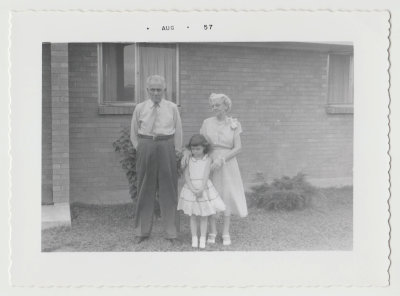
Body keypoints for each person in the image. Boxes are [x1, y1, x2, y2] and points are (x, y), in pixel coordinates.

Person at [183, 93, 248, 246]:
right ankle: (212, 231)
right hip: (210, 162)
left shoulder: (234, 124)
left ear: (226, 106)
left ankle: (225, 232)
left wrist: (223, 159)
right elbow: (199, 144)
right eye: (212, 106)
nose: (214, 108)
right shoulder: (206, 123)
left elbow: (238, 148)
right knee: (210, 195)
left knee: (226, 195)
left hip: (228, 163)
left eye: (217, 105)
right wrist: (187, 151)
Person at [130, 75, 182, 244]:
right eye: (152, 89)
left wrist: (177, 150)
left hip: (166, 145)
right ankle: (141, 231)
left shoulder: (172, 107)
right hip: (146, 145)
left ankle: (171, 232)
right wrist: (140, 147)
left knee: (169, 189)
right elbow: (134, 131)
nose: (156, 92)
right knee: (145, 188)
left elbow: (178, 130)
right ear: (147, 90)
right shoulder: (140, 107)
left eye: (159, 89)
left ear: (164, 90)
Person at [177, 134, 226, 249]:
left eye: (198, 149)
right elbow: (187, 176)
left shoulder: (208, 159)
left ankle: (202, 238)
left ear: (204, 148)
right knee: (193, 215)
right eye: (193, 149)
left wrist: (201, 189)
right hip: (191, 188)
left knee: (204, 215)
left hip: (203, 188)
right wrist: (193, 189)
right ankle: (194, 238)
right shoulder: (188, 159)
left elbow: (206, 175)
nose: (195, 151)